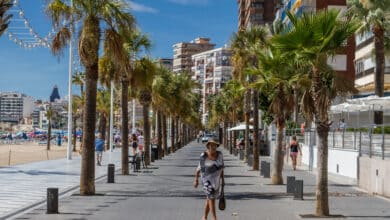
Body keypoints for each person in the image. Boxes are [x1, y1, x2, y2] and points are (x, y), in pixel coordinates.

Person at [194, 138, 225, 220]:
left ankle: (204, 217)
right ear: (208, 146)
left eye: (214, 145)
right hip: (206, 181)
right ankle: (214, 218)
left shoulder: (220, 155)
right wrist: (196, 180)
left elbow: (221, 168)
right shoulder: (203, 155)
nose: (213, 147)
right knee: (211, 198)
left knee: (209, 199)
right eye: (211, 145)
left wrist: (223, 181)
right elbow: (199, 168)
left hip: (216, 181)